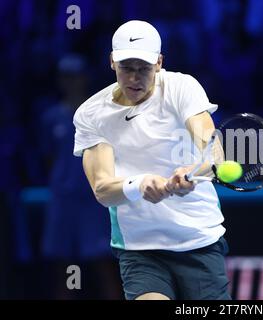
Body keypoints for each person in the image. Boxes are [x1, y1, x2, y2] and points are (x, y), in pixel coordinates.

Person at [73, 20, 230, 300]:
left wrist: (194, 171)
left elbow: (213, 150)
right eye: (126, 68)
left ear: (159, 63)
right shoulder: (91, 114)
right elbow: (102, 189)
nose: (134, 78)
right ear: (112, 62)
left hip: (199, 240)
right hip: (140, 249)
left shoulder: (182, 87)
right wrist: (140, 184)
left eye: (143, 68)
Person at [41, 54, 122, 299]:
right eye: (66, 77)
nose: (71, 82)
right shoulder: (50, 117)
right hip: (63, 202)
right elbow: (46, 158)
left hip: (94, 201)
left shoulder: (100, 116)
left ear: (84, 78)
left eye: (75, 76)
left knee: (103, 265)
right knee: (63, 268)